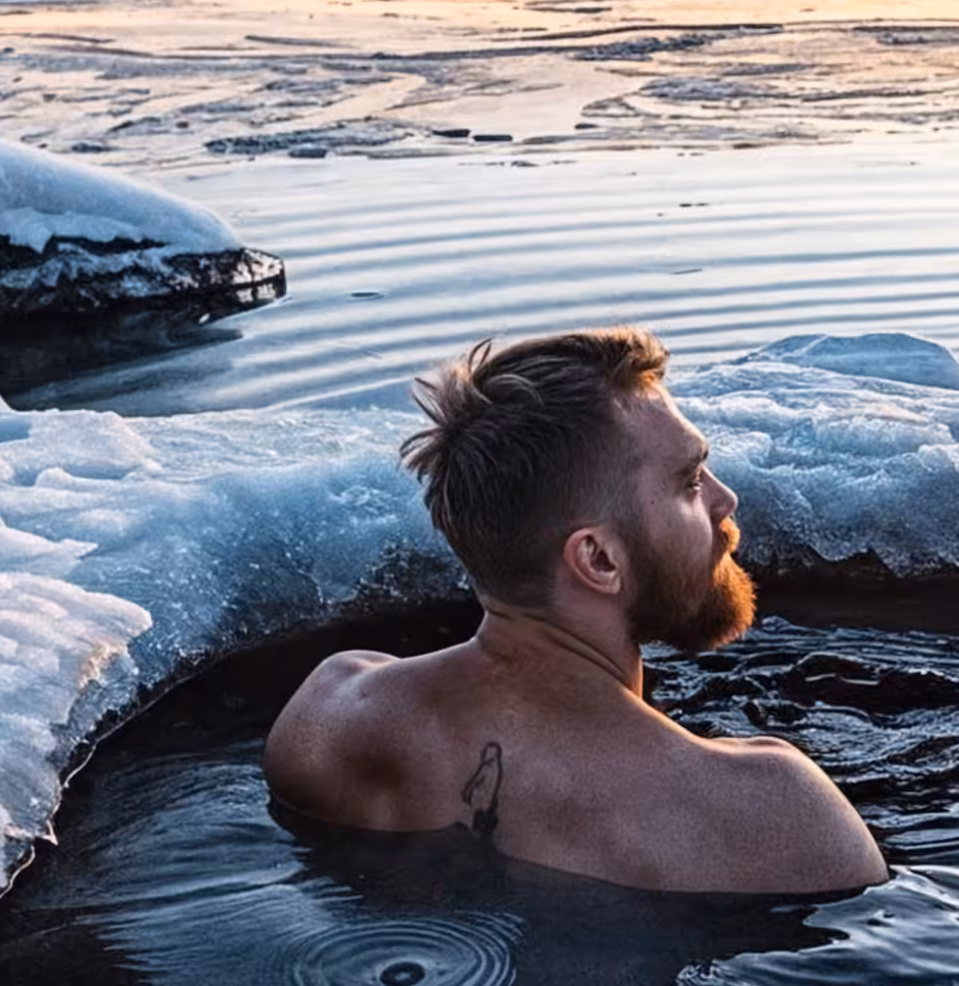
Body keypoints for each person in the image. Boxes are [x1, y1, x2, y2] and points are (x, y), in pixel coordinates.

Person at [265, 328, 887, 895]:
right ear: (598, 559)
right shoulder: (772, 812)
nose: (726, 500)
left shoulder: (327, 720)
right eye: (690, 481)